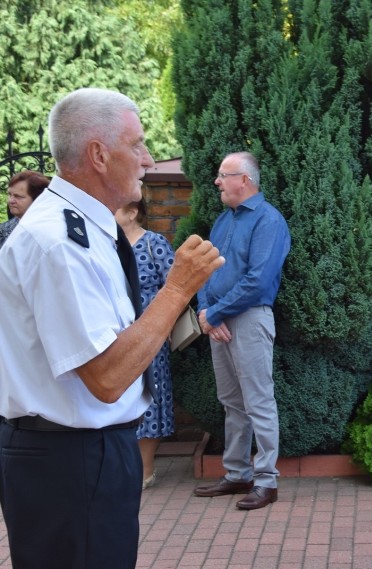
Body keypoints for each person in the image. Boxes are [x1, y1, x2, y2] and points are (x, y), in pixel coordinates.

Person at [0, 87, 223, 569]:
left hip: (88, 454)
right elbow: (106, 377)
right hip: (71, 459)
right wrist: (178, 288)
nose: (146, 159)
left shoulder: (84, 227)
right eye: (137, 144)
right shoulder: (59, 240)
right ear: (99, 155)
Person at [193, 151, 290, 511]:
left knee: (258, 401)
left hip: (249, 318)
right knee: (232, 403)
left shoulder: (269, 221)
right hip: (220, 321)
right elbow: (206, 268)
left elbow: (258, 280)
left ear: (244, 180)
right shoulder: (223, 220)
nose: (217, 181)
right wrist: (207, 310)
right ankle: (237, 474)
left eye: (223, 175)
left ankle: (266, 481)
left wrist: (215, 313)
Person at [116, 196, 176, 489]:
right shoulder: (106, 244)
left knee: (151, 398)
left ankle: (146, 470)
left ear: (132, 213)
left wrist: (162, 323)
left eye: (115, 208)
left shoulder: (154, 243)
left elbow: (176, 286)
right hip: (115, 337)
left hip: (151, 335)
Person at [0, 170, 50, 248]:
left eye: (18, 196)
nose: (10, 201)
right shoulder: (3, 230)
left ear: (37, 199)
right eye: (10, 195)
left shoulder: (50, 231)